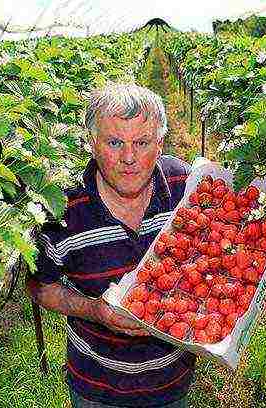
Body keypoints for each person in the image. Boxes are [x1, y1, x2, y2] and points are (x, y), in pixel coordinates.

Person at [27, 82, 196, 408]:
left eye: (142, 142)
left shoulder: (183, 186)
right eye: (115, 142)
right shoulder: (63, 207)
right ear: (92, 144)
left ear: (160, 144)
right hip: (97, 387)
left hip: (173, 379)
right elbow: (39, 287)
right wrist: (94, 310)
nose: (129, 158)